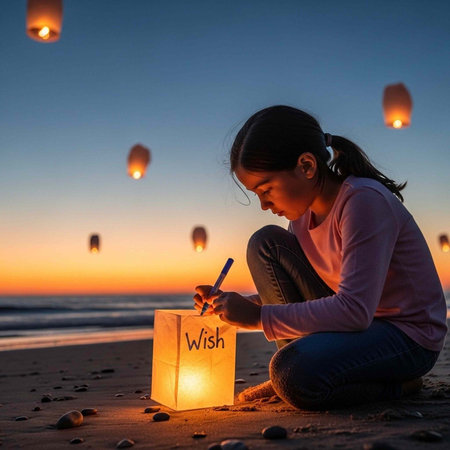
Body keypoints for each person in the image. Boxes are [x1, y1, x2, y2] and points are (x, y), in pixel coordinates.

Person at [193, 105, 448, 410]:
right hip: (361, 325)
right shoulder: (302, 217)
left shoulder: (363, 202)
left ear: (307, 166)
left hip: (407, 337)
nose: (263, 205)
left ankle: (395, 385)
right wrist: (236, 306)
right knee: (265, 243)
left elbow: (353, 310)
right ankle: (298, 366)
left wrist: (257, 318)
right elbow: (311, 298)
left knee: (293, 375)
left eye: (266, 189)